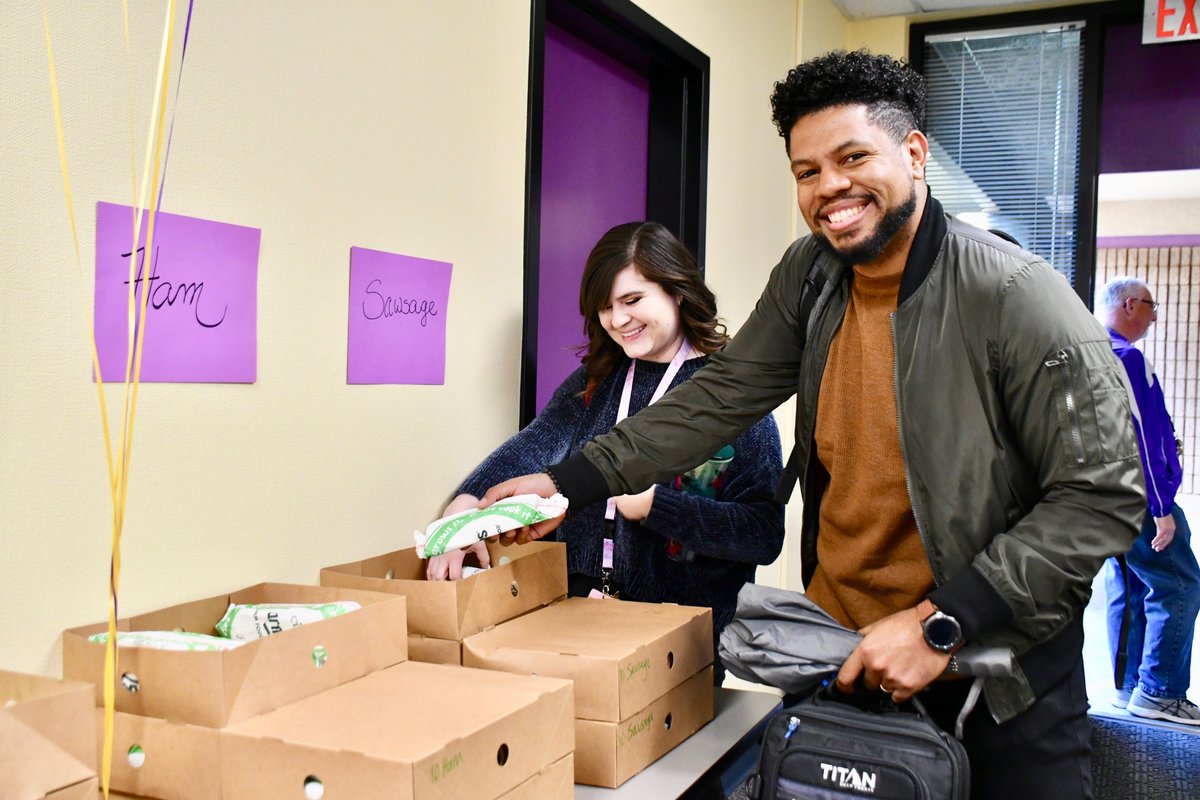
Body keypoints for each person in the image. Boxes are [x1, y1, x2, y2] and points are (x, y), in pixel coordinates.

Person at [479, 51, 1145, 798]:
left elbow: (1100, 499)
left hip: (994, 663)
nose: (830, 187)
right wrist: (569, 482)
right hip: (845, 651)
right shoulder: (812, 274)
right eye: (806, 171)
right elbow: (719, 395)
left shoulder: (1017, 295)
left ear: (915, 154)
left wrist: (939, 623)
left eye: (853, 156)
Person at [427, 221, 785, 678]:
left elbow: (763, 533)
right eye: (605, 308)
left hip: (679, 647)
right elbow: (535, 445)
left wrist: (658, 506)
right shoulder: (594, 385)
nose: (618, 320)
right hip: (574, 624)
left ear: (676, 291)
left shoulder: (731, 398)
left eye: (633, 300)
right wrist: (468, 501)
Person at [1099, 277, 1200, 726]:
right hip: (1142, 497)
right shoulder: (1128, 357)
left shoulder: (1093, 353)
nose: (1155, 317)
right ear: (1129, 304)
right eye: (1151, 307)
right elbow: (1142, 436)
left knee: (1132, 585)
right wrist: (1161, 507)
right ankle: (1159, 691)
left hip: (1111, 497)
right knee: (1179, 584)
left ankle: (1129, 688)